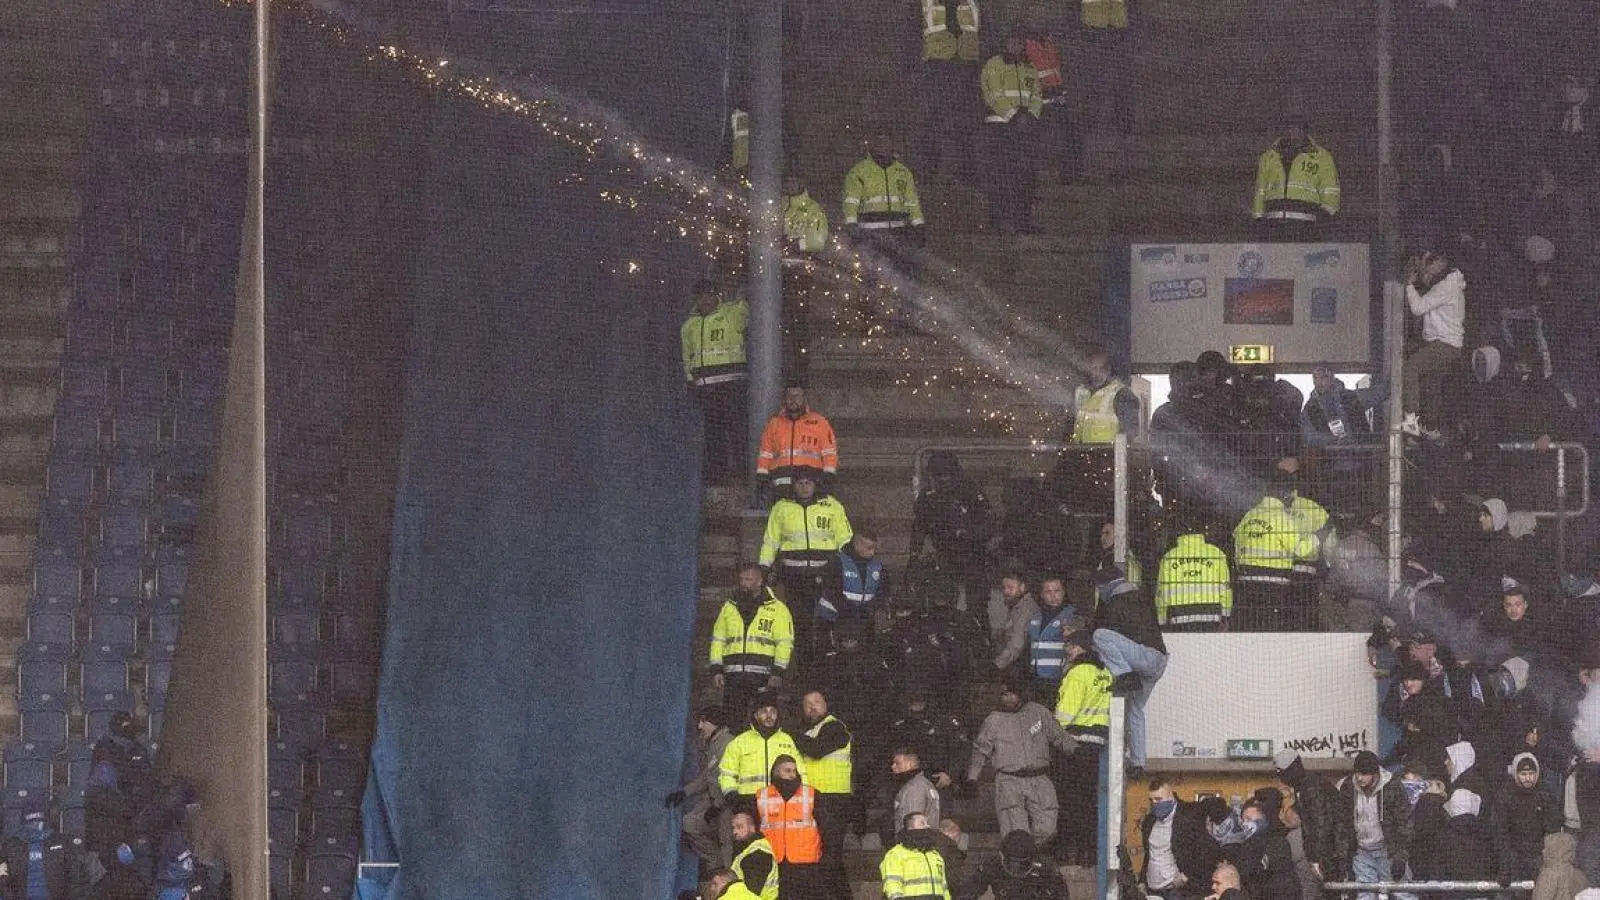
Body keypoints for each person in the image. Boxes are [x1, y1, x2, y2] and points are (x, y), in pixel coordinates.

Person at [966, 681, 1077, 846]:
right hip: (1009, 780)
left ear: (1021, 694)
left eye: (1012, 693)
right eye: (1005, 694)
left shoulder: (1037, 711)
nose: (1009, 698)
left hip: (1039, 778)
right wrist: (972, 778)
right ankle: (1018, 858)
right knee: (1015, 832)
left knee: (1048, 828)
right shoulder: (993, 720)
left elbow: (1058, 736)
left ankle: (1029, 854)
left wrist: (1077, 751)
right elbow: (980, 751)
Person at [759, 472, 852, 657]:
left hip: (824, 576)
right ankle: (804, 669)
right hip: (794, 576)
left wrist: (848, 568)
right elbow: (771, 541)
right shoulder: (782, 507)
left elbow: (845, 539)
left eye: (808, 482)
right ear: (794, 485)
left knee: (823, 620)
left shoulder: (832, 506)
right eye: (800, 483)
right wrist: (763, 566)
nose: (804, 487)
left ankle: (823, 665)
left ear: (815, 484)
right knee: (799, 623)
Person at [1090, 566, 1166, 776]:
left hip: (1143, 657)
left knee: (1100, 636)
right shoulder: (1141, 597)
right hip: (1159, 660)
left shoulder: (1115, 602)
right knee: (1135, 709)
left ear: (1106, 586)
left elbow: (1105, 637)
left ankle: (1124, 675)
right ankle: (1138, 762)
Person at [681, 278, 749, 482]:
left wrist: (739, 299)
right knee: (713, 434)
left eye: (710, 295)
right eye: (703, 296)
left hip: (730, 384)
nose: (707, 300)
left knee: (735, 429)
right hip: (705, 388)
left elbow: (744, 315)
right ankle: (717, 476)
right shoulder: (689, 325)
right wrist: (690, 381)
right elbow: (687, 356)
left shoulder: (729, 314)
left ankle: (742, 472)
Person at [1232, 476, 1319, 631]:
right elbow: (1300, 550)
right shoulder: (1282, 518)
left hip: (1246, 584)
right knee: (1272, 631)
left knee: (1250, 628)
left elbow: (1237, 547)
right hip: (1274, 587)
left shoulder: (1249, 515)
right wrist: (1317, 537)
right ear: (1284, 496)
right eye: (1291, 497)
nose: (1292, 501)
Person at [1054, 631, 1110, 865]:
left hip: (1074, 746)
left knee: (1068, 801)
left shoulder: (1077, 674)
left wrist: (1051, 725)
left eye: (1070, 646)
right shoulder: (1105, 673)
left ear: (1079, 648)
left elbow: (1064, 716)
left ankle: (1066, 852)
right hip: (1098, 745)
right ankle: (1090, 853)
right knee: (1090, 801)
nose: (1067, 651)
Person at [709, 564, 795, 718]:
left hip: (764, 678)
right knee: (733, 724)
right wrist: (716, 669)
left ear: (759, 581)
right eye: (741, 579)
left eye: (748, 579)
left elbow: (784, 643)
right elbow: (718, 640)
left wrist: (778, 672)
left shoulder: (778, 609)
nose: (743, 583)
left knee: (764, 722)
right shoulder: (729, 607)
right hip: (733, 678)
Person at [979, 31, 1043, 234]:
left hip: (1025, 131)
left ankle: (1023, 221)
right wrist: (1014, 116)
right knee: (1000, 176)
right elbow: (993, 94)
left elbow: (1037, 96)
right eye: (1012, 41)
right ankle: (999, 222)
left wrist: (1031, 116)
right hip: (999, 128)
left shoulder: (1030, 68)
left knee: (1026, 178)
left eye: (1019, 42)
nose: (1015, 46)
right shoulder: (994, 65)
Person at [792, 692, 852, 900]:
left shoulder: (834, 726)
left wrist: (790, 735)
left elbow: (817, 750)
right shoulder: (811, 730)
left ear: (826, 704)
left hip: (834, 799)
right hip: (817, 799)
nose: (812, 707)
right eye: (807, 704)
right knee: (823, 855)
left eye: (817, 702)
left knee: (831, 856)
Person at [912, 451, 992, 606]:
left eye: (946, 475)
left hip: (972, 553)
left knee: (977, 604)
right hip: (944, 554)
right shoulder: (929, 496)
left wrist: (967, 533)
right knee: (942, 601)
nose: (943, 480)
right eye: (939, 476)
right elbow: (919, 526)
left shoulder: (970, 492)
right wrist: (915, 555)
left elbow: (987, 524)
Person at [1401, 248, 1466, 438]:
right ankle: (1430, 425)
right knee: (1431, 383)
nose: (1426, 268)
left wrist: (1409, 285)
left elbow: (1419, 307)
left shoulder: (1445, 287)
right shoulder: (1450, 283)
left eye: (1430, 263)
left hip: (1444, 344)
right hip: (1450, 345)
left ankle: (1411, 420)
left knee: (1410, 368)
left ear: (1441, 263)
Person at [915, 0, 980, 183]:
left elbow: (983, 26)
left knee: (966, 120)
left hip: (967, 63)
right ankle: (929, 169)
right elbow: (913, 27)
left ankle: (967, 169)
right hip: (937, 63)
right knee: (933, 118)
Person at [841, 131, 926, 268]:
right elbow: (850, 201)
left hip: (898, 233)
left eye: (887, 141)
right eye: (879, 141)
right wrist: (851, 224)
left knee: (901, 274)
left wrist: (919, 225)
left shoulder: (903, 172)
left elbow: (912, 202)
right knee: (874, 275)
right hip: (870, 234)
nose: (883, 145)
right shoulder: (859, 171)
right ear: (873, 145)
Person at [1333, 750, 1411, 900]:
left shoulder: (1392, 786)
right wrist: (1344, 857)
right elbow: (1342, 823)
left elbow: (1404, 823)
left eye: (1363, 773)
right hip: (1362, 852)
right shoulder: (1349, 787)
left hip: (1388, 851)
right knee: (1365, 895)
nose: (1359, 777)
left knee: (1402, 893)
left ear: (1375, 773)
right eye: (1357, 773)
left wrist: (1400, 858)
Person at [670, 706, 737, 869]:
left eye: (703, 721)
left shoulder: (728, 744)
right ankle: (717, 865)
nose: (700, 726)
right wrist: (684, 793)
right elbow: (708, 777)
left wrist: (718, 806)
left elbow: (732, 779)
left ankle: (727, 877)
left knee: (727, 841)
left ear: (714, 723)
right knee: (690, 823)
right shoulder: (714, 744)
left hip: (727, 804)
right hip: (714, 802)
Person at [84, 711, 151, 873]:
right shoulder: (104, 750)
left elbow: (147, 783)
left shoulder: (139, 750)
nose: (129, 731)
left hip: (133, 830)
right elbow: (103, 799)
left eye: (130, 726)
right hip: (105, 835)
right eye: (125, 727)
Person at [719, 694, 807, 817]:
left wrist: (801, 798)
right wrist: (732, 796)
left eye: (773, 712)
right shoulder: (740, 742)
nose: (769, 716)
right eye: (764, 711)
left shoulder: (787, 741)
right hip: (748, 804)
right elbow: (726, 773)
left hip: (780, 802)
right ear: (755, 715)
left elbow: (801, 771)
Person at [1271, 750, 1345, 887]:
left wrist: (1318, 858)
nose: (1280, 777)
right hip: (1327, 853)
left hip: (1331, 854)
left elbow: (1321, 825)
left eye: (1281, 772)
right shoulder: (1305, 787)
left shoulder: (1312, 787)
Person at [781, 174, 829, 383]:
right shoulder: (778, 205)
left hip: (799, 271)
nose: (790, 184)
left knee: (798, 320)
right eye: (787, 181)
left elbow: (819, 239)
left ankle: (801, 369)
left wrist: (794, 244)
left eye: (794, 180)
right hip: (778, 272)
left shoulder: (813, 208)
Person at [1142, 779, 1223, 900]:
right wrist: (1142, 880)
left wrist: (1187, 875)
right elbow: (1149, 853)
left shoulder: (1189, 816)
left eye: (1158, 799)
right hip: (1152, 889)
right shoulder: (1150, 821)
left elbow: (1211, 850)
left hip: (1177, 891)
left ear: (1171, 797)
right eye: (1151, 800)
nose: (1154, 803)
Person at [755, 756, 823, 900]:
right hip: (773, 862)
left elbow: (827, 830)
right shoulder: (761, 796)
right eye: (787, 770)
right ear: (776, 772)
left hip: (806, 864)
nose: (792, 774)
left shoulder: (811, 794)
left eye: (794, 770)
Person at [1252, 117, 1340, 226]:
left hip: (1307, 227)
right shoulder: (1268, 156)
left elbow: (1331, 190)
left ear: (1304, 131)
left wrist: (1324, 218)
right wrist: (1258, 218)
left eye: (1297, 128)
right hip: (1273, 226)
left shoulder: (1322, 157)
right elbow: (1260, 190)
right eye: (1289, 127)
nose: (1292, 132)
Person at [755, 386, 839, 499]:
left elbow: (829, 452)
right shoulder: (774, 424)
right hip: (781, 483)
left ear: (805, 398)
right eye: (789, 396)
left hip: (810, 483)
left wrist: (829, 474)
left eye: (797, 396)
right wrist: (762, 475)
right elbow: (766, 452)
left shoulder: (819, 422)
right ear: (785, 399)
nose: (793, 400)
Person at [1490, 753, 1557, 886]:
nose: (1528, 778)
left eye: (1531, 773)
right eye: (1523, 774)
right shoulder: (1504, 796)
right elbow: (1500, 832)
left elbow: (1552, 829)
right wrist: (1506, 863)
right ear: (1516, 773)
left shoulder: (1545, 796)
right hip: (1513, 857)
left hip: (1538, 857)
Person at [0, 800, 87, 900]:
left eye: (39, 822)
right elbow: (3, 882)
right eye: (32, 822)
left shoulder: (62, 841)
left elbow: (75, 878)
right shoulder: (11, 845)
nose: (35, 826)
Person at [1154, 526, 1233, 631]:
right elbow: (1226, 589)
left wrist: (1162, 620)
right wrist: (1225, 616)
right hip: (1211, 616)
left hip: (1178, 617)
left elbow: (1161, 593)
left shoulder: (1169, 557)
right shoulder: (1216, 554)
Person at [956, 829, 1069, 900]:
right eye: (1012, 863)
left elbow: (1062, 894)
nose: (1016, 868)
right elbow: (969, 890)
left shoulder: (1045, 867)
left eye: (1022, 864)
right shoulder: (993, 865)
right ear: (1002, 856)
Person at [821, 529, 888, 644]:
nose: (873, 552)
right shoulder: (837, 562)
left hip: (864, 621)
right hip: (833, 619)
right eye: (869, 548)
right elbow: (831, 591)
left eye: (875, 548)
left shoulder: (878, 567)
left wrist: (868, 610)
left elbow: (884, 592)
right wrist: (851, 612)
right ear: (857, 545)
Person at [1226, 799, 1300, 900]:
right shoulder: (1247, 845)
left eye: (1249, 819)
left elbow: (1280, 878)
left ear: (1264, 819)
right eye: (1243, 820)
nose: (1245, 824)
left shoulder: (1277, 842)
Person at [1023, 575, 1077, 703]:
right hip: (1036, 678)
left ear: (1064, 592)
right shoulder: (1036, 616)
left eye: (1057, 591)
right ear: (1042, 594)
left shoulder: (1072, 616)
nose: (1053, 596)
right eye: (1048, 592)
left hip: (1058, 678)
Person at [1070, 349, 1140, 444]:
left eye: (1101, 369)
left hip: (1110, 456)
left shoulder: (1122, 394)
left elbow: (1130, 434)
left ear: (1109, 370)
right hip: (1080, 455)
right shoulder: (1081, 392)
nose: (1097, 374)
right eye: (1093, 368)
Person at [881, 812, 953, 900]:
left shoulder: (935, 855)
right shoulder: (896, 854)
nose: (927, 826)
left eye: (927, 823)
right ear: (910, 828)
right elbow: (892, 882)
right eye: (922, 823)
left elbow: (944, 887)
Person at [988, 569, 1040, 677]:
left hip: (1021, 669)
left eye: (1011, 588)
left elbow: (1017, 644)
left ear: (1022, 587)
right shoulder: (1016, 607)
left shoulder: (1025, 610)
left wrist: (996, 666)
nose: (1006, 591)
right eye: (1004, 588)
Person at [888, 749, 943, 845]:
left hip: (913, 848)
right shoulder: (925, 784)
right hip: (926, 845)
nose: (893, 766)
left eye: (897, 763)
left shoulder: (914, 788)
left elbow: (914, 825)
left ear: (910, 764)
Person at [728, 812, 779, 900]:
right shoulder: (749, 849)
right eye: (733, 828)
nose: (735, 832)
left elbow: (751, 892)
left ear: (752, 828)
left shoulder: (757, 854)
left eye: (740, 827)